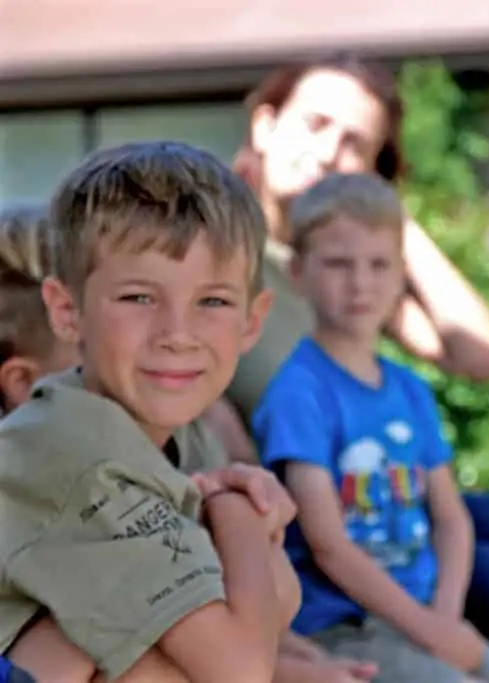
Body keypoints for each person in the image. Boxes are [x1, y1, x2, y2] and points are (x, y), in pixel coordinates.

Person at [210, 53, 489, 682]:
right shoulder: (218, 250)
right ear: (267, 125)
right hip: (314, 509)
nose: (329, 152)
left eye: (356, 143)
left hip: (388, 483)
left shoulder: (353, 261)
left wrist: (384, 216)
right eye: (316, 124)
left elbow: (478, 354)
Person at [0, 202, 378, 683]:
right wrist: (232, 507)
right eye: (88, 350)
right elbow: (233, 665)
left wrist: (294, 659)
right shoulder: (73, 473)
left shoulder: (134, 451)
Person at [251, 171, 489, 682]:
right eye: (338, 264)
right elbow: (328, 546)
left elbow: (450, 517)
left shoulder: (409, 390)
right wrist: (432, 632)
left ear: (401, 274)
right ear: (297, 273)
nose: (360, 283)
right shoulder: (299, 393)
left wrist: (445, 618)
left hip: (423, 616)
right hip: (344, 628)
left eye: (378, 265)